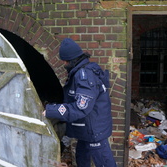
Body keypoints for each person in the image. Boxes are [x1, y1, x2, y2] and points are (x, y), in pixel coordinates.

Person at [42, 38, 117, 167]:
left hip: (94, 132)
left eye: (65, 61)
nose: (64, 64)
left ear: (72, 60)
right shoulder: (80, 71)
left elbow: (81, 107)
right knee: (82, 158)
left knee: (104, 162)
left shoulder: (84, 76)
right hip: (86, 131)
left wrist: (51, 110)